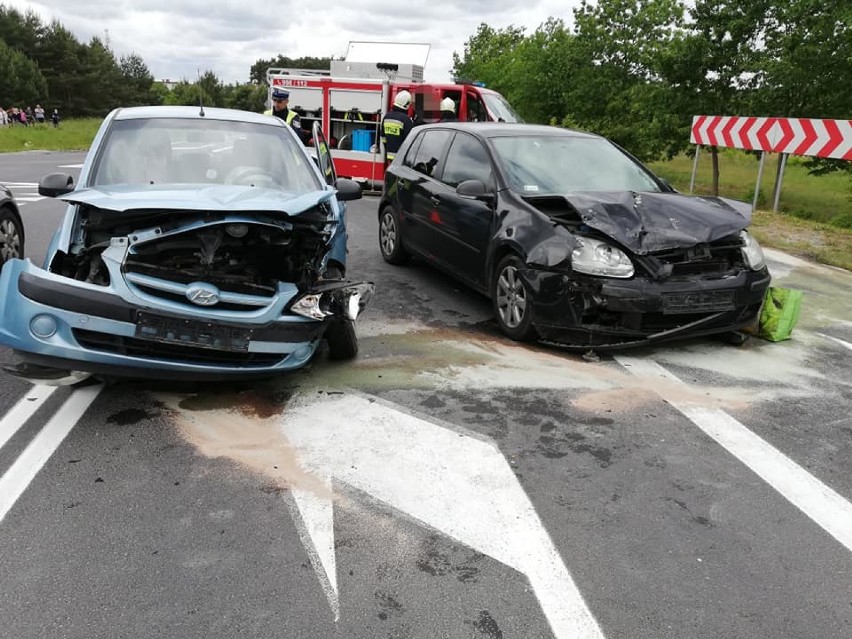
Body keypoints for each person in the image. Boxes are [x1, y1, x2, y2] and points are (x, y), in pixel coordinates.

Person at [380, 90, 414, 165]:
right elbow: (410, 140)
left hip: (390, 157)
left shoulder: (386, 117)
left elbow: (383, 137)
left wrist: (388, 149)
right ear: (406, 104)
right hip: (402, 158)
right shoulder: (406, 119)